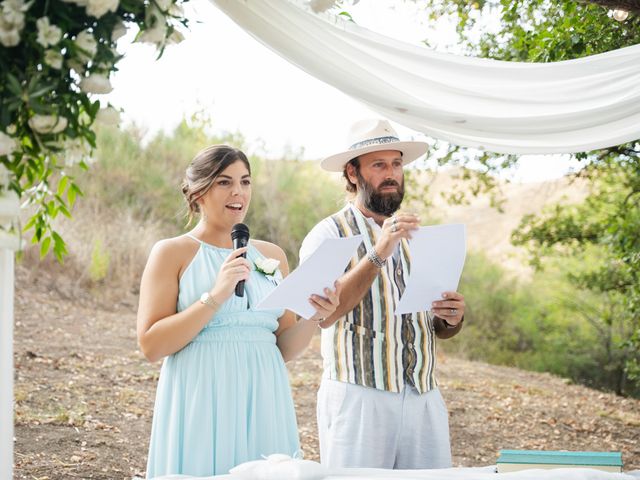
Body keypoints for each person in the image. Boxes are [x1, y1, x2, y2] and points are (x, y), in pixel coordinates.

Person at [137, 145, 340, 478]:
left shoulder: (272, 256)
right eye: (224, 182)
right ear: (198, 191)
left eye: (245, 182)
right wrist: (215, 296)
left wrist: (316, 317)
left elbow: (284, 348)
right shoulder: (172, 252)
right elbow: (150, 345)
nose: (238, 192)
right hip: (201, 395)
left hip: (264, 394)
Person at [299, 119, 466, 470]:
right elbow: (323, 315)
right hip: (360, 396)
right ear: (352, 173)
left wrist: (451, 318)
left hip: (423, 396)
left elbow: (436, 327)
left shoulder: (416, 236)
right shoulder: (327, 234)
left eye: (396, 164)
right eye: (379, 165)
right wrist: (378, 253)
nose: (391, 174)